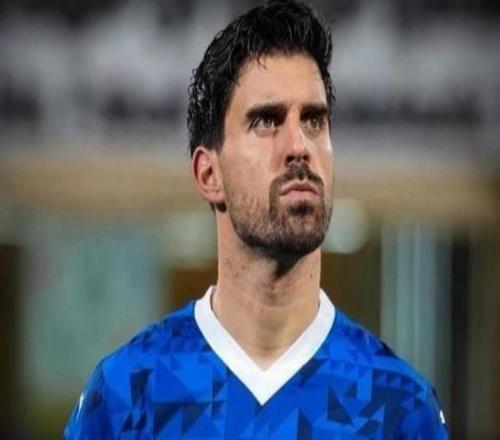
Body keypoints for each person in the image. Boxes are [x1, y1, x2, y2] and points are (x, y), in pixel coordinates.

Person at [65, 1, 449, 438]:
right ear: (209, 175)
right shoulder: (126, 396)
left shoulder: (399, 406)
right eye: (267, 121)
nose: (299, 146)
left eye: (314, 120)